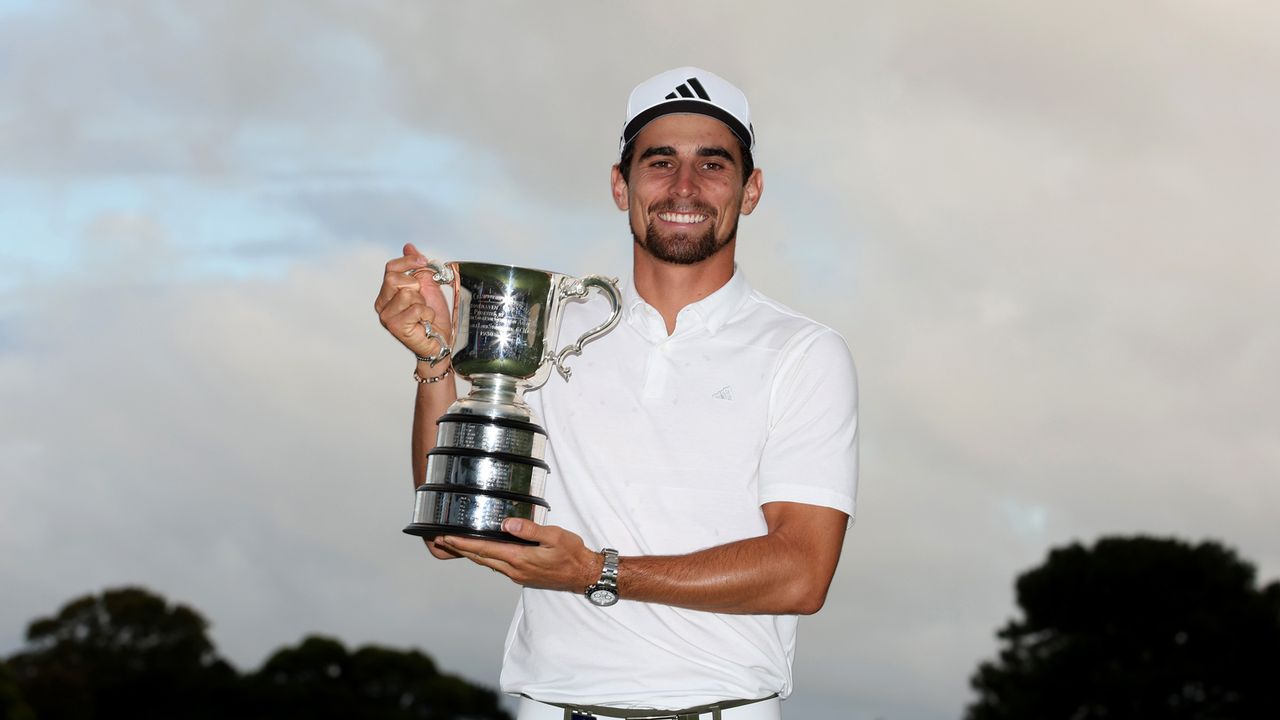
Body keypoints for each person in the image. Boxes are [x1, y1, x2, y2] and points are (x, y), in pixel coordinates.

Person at [375, 67, 858, 720]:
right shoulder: (549, 325)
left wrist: (595, 573)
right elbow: (451, 529)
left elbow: (801, 573)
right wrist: (434, 358)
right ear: (619, 184)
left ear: (751, 191)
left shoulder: (803, 352)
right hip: (553, 708)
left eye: (712, 165)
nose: (683, 187)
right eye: (660, 162)